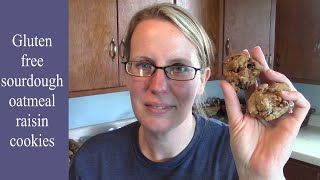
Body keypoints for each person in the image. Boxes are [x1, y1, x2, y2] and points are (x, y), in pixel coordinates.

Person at [69, 3, 310, 180]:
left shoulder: (237, 156)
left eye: (179, 67)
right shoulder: (92, 162)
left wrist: (263, 175)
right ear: (127, 73)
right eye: (144, 65)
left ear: (203, 81)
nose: (158, 86)